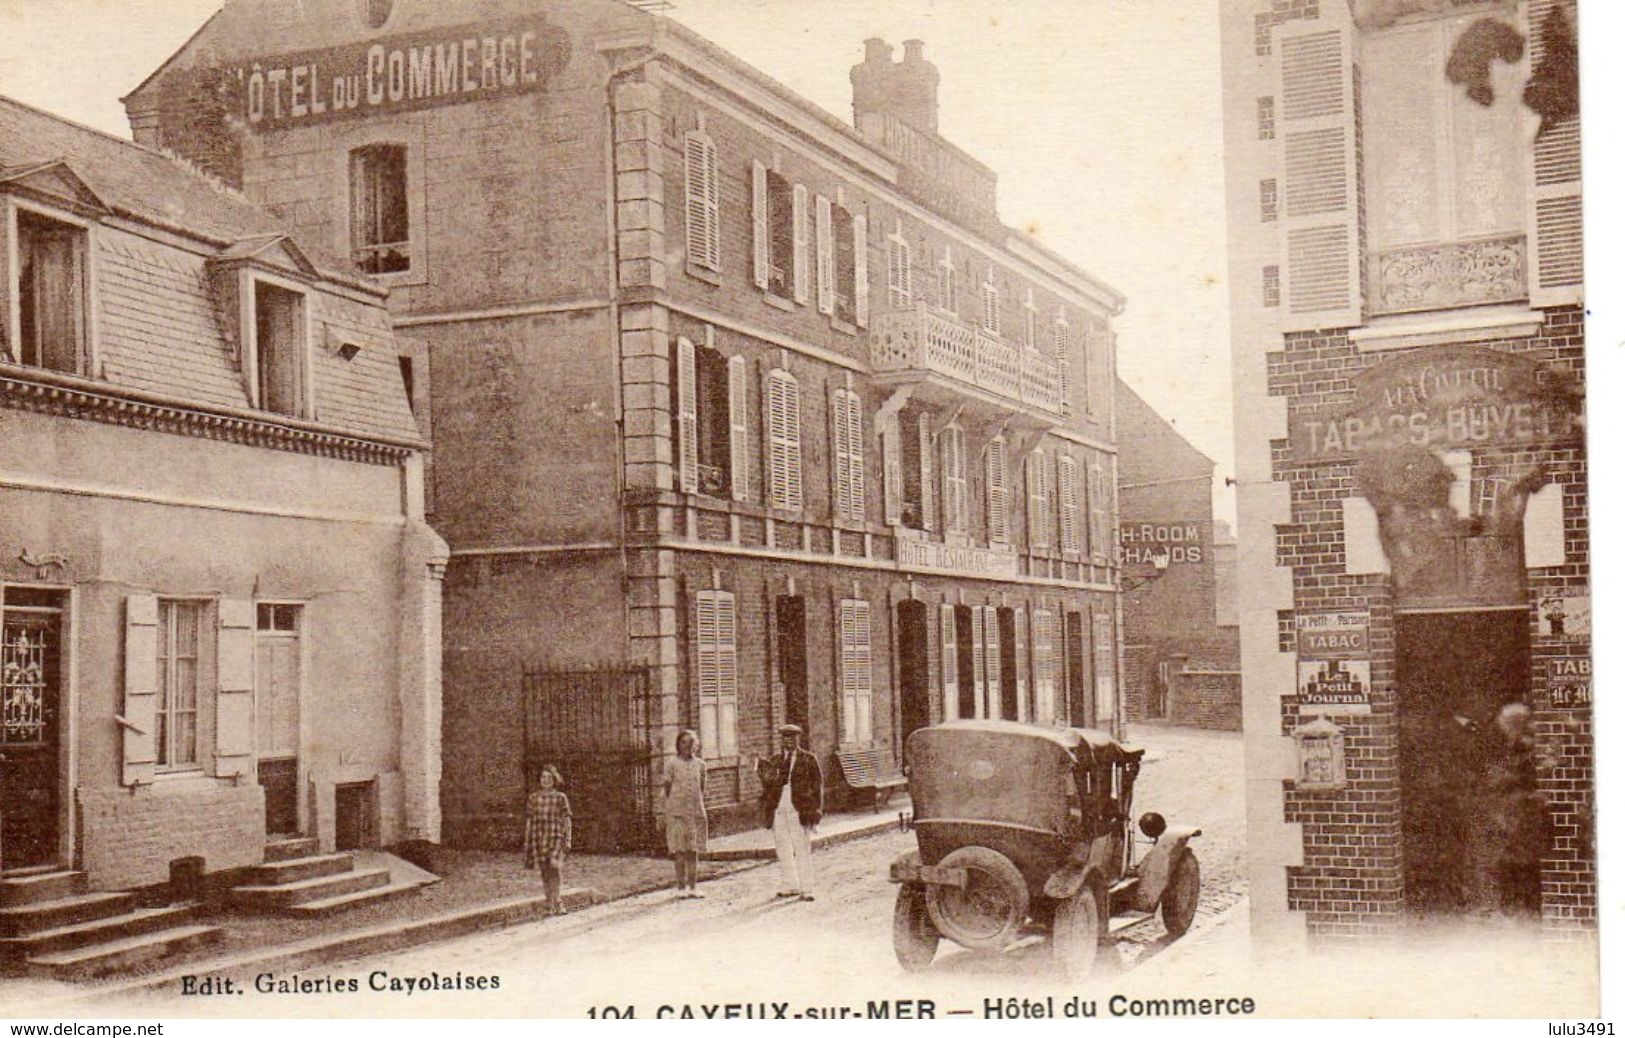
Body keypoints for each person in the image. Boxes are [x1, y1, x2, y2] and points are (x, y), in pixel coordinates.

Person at [756, 723, 822, 901]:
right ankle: (790, 884)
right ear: (782, 740)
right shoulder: (776, 761)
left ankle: (807, 888)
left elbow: (817, 788)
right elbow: (768, 787)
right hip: (779, 808)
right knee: (783, 847)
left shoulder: (808, 759)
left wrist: (816, 812)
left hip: (799, 809)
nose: (789, 741)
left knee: (802, 847)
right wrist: (763, 776)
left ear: (798, 739)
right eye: (786, 737)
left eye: (793, 737)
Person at [664, 729, 708, 899]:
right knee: (680, 850)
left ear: (696, 746)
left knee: (693, 850)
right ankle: (681, 887)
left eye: (691, 743)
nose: (687, 746)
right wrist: (675, 805)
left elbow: (701, 788)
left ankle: (693, 887)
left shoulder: (701, 765)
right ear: (678, 745)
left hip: (695, 811)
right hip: (678, 812)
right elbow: (668, 788)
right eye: (684, 743)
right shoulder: (672, 764)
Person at [523, 764, 572, 916]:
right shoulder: (533, 798)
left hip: (556, 836)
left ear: (554, 780)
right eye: (543, 777)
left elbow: (567, 819)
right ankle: (548, 904)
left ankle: (558, 901)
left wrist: (568, 839)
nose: (546, 780)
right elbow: (530, 821)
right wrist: (527, 840)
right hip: (539, 837)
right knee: (544, 871)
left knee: (554, 867)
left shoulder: (560, 797)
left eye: (549, 778)